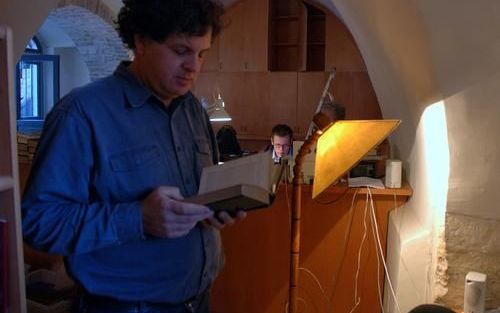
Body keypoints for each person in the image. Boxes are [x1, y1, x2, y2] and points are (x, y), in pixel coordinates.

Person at [21, 1, 246, 312]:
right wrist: (137, 218)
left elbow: (192, 199)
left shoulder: (192, 109)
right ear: (141, 42)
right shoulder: (82, 113)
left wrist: (213, 209)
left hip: (199, 300)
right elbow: (39, 224)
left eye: (202, 53)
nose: (194, 66)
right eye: (181, 51)